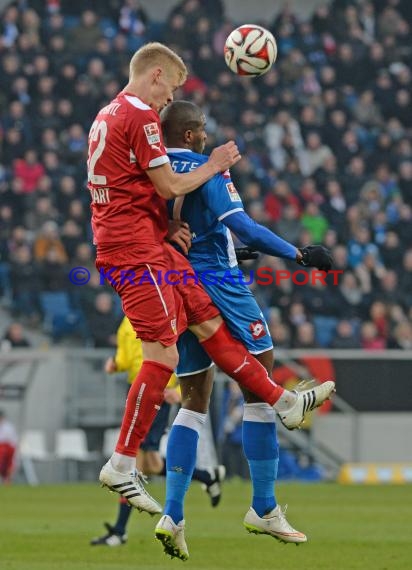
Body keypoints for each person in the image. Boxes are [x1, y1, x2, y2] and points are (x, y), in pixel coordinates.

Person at [87, 42, 334, 523]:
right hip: (137, 252)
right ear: (156, 76)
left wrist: (162, 227)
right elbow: (173, 189)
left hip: (154, 245)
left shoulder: (107, 113)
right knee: (163, 355)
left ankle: (282, 402)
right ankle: (121, 462)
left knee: (204, 325)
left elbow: (128, 188)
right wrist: (217, 163)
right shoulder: (141, 117)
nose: (166, 102)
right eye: (171, 89)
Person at [153, 100, 335, 559]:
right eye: (204, 129)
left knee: (193, 403)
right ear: (193, 134)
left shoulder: (151, 168)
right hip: (221, 284)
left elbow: (183, 226)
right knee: (260, 383)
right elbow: (245, 228)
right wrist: (298, 254)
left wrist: (229, 248)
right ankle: (264, 505)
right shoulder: (206, 167)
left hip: (177, 285)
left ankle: (173, 512)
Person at [91, 315, 225, 547]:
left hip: (157, 391)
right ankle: (207, 475)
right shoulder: (127, 319)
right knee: (150, 463)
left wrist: (173, 385)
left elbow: (171, 349)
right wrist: (116, 363)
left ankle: (119, 531)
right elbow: (129, 355)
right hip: (138, 390)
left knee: (136, 462)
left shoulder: (155, 310)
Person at [0, 410, 18, 484]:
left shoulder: (9, 427)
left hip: (8, 450)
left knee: (9, 464)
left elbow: (13, 441)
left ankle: (7, 480)